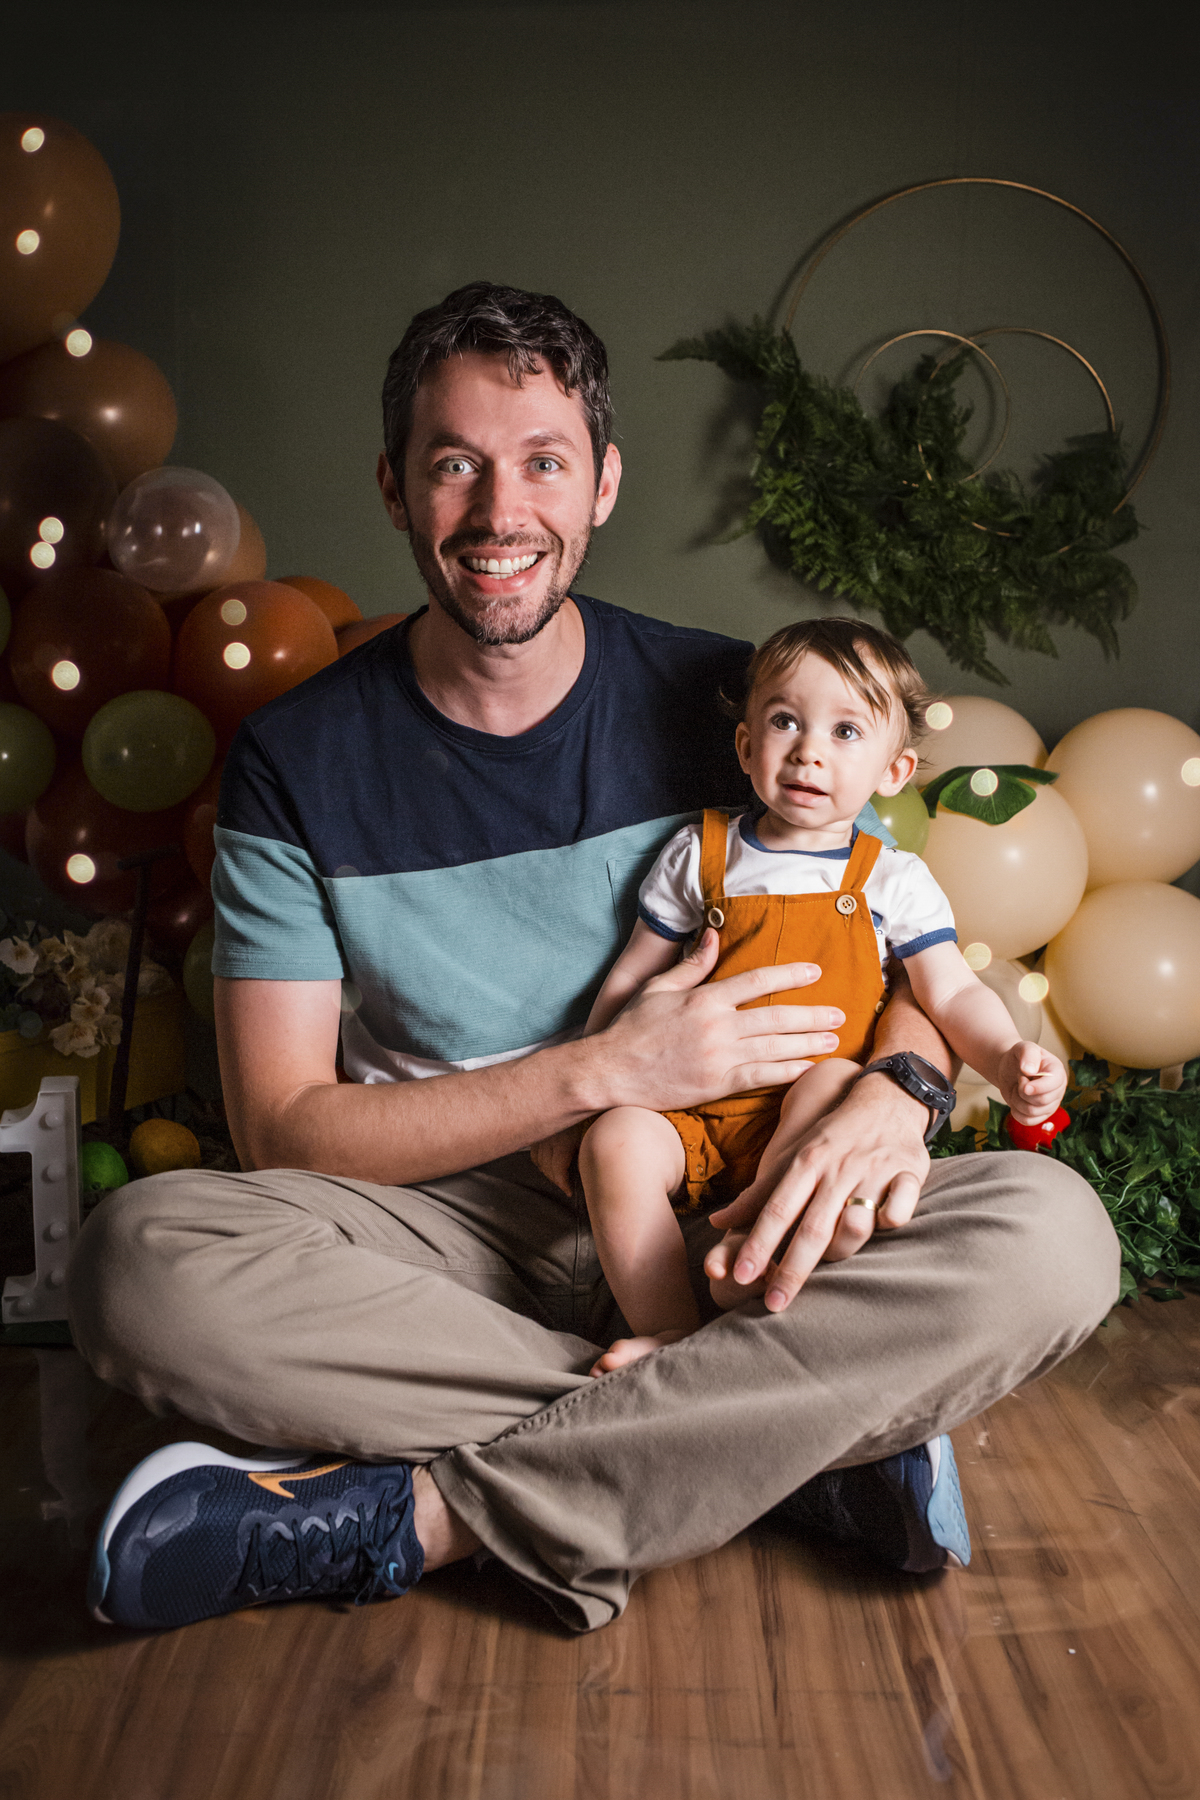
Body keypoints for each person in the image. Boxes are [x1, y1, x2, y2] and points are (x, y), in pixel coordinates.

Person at [69, 283, 1118, 1636]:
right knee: (138, 1264)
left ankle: (422, 1518)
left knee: (1057, 1239)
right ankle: (791, 1440)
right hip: (442, 1232)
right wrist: (604, 1068)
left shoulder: (738, 705)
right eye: (456, 464)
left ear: (604, 482)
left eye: (544, 462)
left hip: (734, 1207)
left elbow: (899, 942)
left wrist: (896, 1091)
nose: (502, 511)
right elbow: (284, 1130)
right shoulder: (298, 761)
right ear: (395, 489)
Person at [567, 617, 1068, 1374]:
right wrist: (593, 1072)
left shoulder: (890, 878)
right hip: (688, 1109)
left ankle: (753, 1244)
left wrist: (1005, 1060)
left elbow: (950, 990)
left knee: (837, 1082)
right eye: (784, 721)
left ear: (893, 773)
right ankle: (669, 1332)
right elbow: (634, 978)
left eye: (845, 731)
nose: (808, 749)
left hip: (802, 1112)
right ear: (745, 747)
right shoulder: (700, 852)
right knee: (616, 1142)